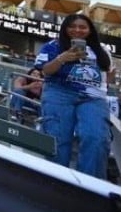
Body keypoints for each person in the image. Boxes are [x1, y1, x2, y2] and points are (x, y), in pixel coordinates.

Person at [35, 14, 113, 179]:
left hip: (93, 98)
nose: (77, 30)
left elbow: (108, 75)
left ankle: (90, 184)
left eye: (82, 27)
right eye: (72, 26)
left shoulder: (103, 51)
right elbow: (45, 70)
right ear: (65, 28)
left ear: (90, 30)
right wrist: (61, 59)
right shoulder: (53, 46)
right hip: (59, 93)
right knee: (58, 138)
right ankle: (56, 181)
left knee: (96, 137)